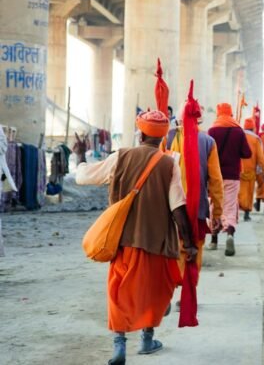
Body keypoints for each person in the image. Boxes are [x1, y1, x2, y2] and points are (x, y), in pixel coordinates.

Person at [76, 110, 198, 365]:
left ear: (141, 133)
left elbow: (84, 177)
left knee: (119, 292)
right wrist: (188, 243)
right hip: (157, 242)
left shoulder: (120, 156)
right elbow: (178, 206)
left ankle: (119, 347)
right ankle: (147, 340)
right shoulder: (169, 163)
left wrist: (79, 157)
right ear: (162, 137)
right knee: (155, 291)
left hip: (123, 241)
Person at [166, 102, 224, 295]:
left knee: (170, 247)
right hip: (197, 207)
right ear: (199, 119)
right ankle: (188, 295)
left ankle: (169, 289)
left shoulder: (167, 138)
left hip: (169, 206)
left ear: (180, 118)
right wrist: (217, 213)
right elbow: (215, 181)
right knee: (195, 250)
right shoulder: (208, 142)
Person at [207, 103, 252, 256]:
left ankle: (213, 240)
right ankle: (230, 234)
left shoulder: (212, 130)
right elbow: (247, 153)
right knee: (230, 206)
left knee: (215, 204)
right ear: (231, 113)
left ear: (218, 113)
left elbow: (207, 154)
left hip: (215, 175)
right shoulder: (238, 131)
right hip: (232, 175)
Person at [239, 118, 264, 222]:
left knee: (238, 193)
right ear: (253, 128)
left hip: (238, 170)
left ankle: (234, 213)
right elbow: (260, 157)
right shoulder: (256, 139)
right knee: (249, 193)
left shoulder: (238, 136)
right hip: (250, 171)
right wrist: (263, 170)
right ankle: (246, 213)